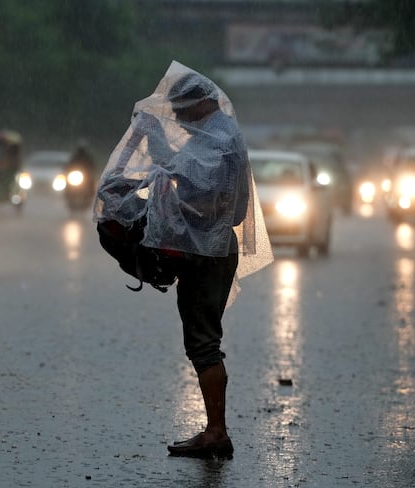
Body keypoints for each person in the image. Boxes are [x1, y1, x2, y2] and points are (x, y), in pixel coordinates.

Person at [94, 61, 272, 459]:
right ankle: (214, 429)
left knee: (204, 344)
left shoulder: (221, 139)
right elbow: (185, 174)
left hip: (208, 254)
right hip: (204, 251)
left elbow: (195, 182)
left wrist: (154, 143)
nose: (176, 117)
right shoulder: (212, 135)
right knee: (201, 343)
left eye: (179, 110)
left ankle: (216, 432)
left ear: (199, 104)